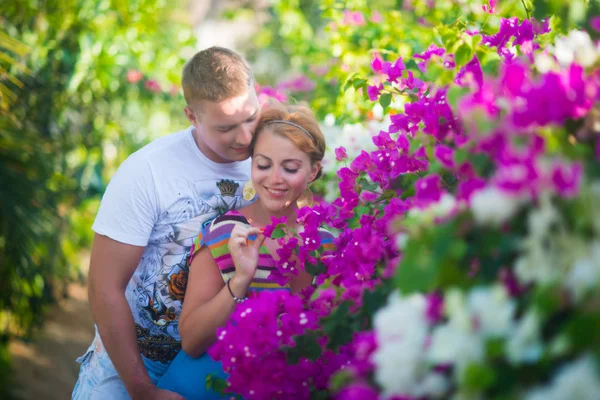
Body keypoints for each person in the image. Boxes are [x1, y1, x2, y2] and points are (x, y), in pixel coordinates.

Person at [72, 46, 261, 400]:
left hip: (215, 363)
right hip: (134, 360)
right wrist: (142, 390)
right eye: (226, 128)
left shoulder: (270, 161)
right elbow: (103, 286)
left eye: (250, 118)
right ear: (192, 115)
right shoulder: (147, 172)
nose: (245, 138)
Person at [155, 102, 333, 399]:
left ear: (314, 171)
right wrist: (240, 280)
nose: (274, 178)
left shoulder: (325, 245)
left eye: (290, 168)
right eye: (263, 165)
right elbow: (192, 341)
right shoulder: (225, 234)